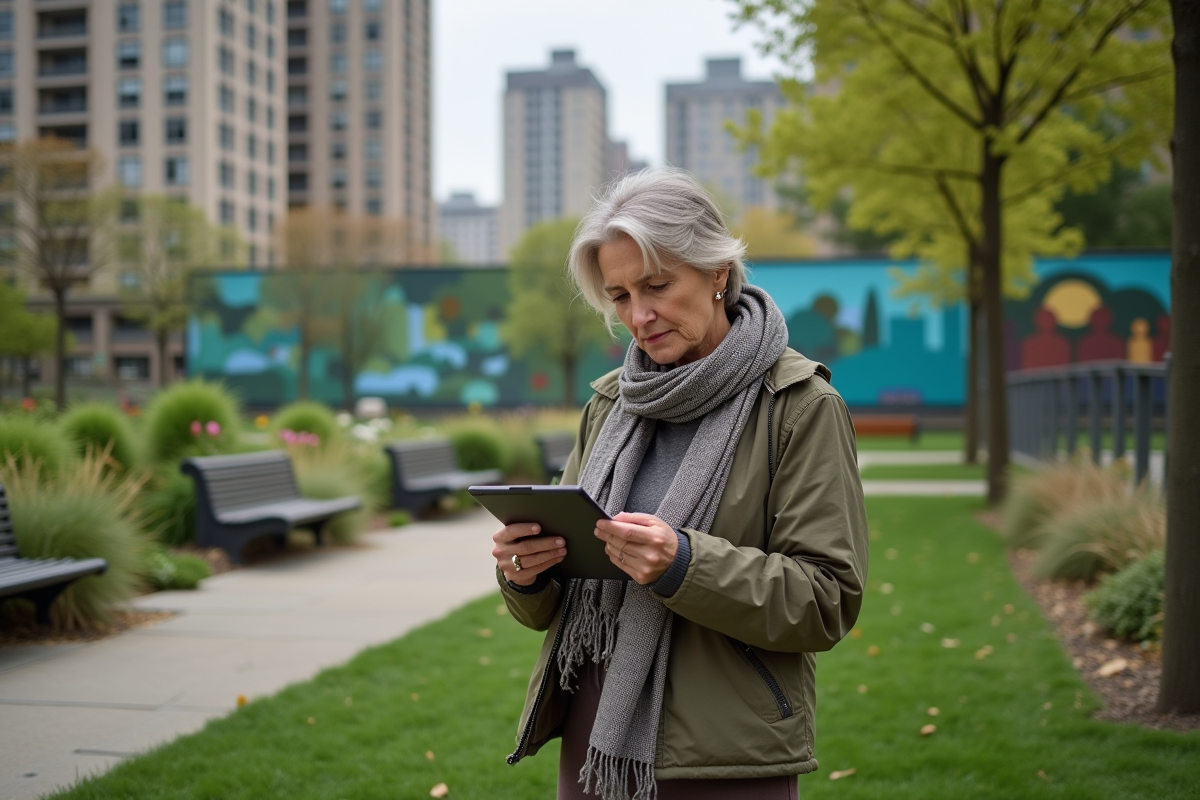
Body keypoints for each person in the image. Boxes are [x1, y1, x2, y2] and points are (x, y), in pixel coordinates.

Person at [491, 168, 869, 800]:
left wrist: (683, 563)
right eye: (618, 296)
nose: (639, 315)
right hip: (595, 746)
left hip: (723, 754)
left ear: (717, 272)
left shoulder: (800, 407)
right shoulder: (610, 405)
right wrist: (525, 573)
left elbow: (826, 600)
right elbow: (552, 608)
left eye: (657, 285)